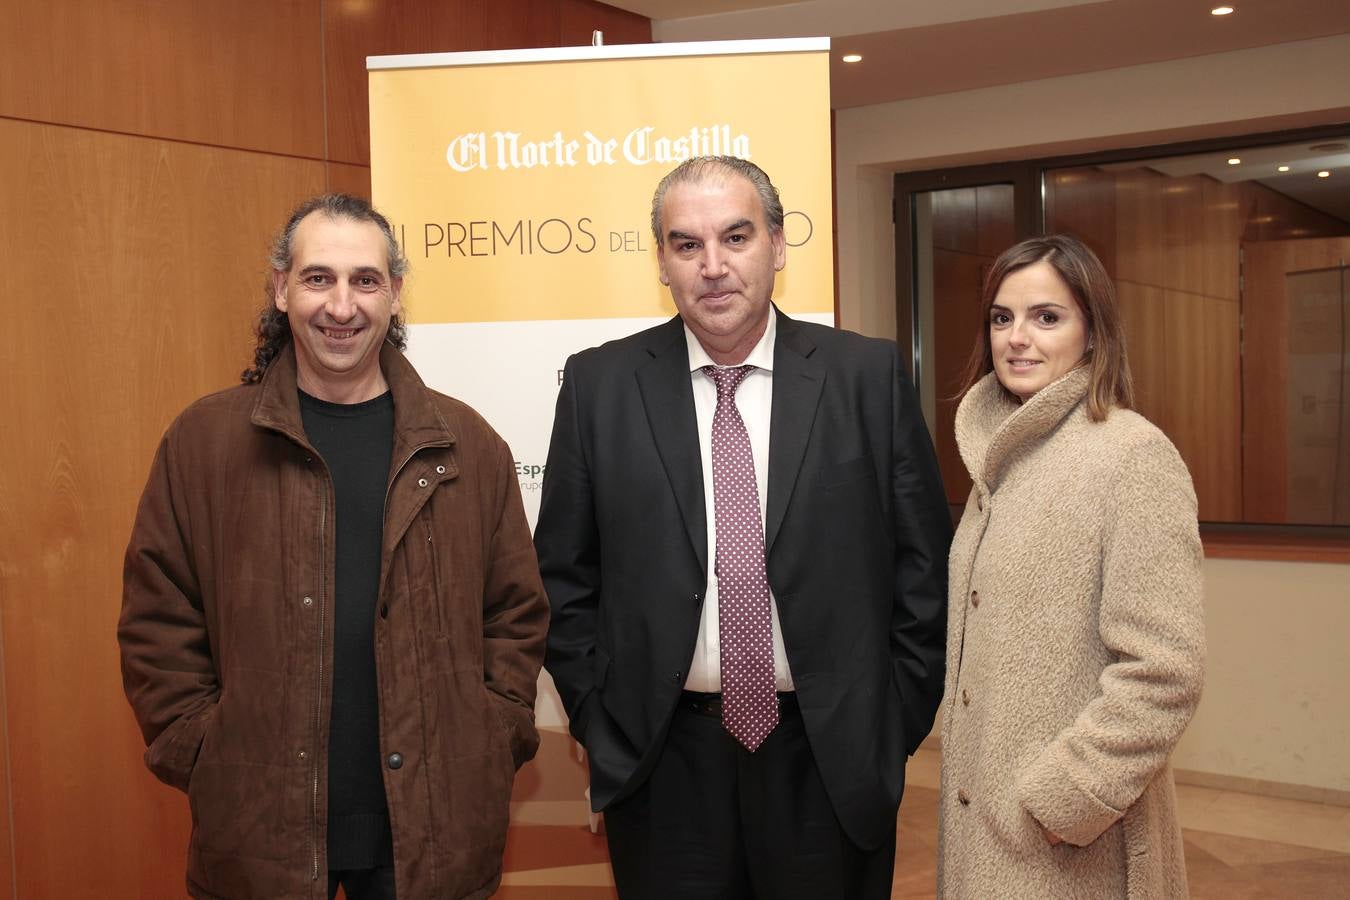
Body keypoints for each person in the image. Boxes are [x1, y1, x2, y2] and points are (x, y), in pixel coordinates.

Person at [534, 156, 952, 899]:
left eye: (736, 236)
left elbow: (922, 567)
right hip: (663, 762)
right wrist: (603, 723)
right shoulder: (600, 386)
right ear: (661, 260)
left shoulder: (866, 377)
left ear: (780, 244)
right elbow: (566, 576)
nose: (714, 266)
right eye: (687, 244)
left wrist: (889, 726)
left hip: (829, 758)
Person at [118, 193, 548, 900]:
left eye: (365, 280)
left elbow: (516, 614)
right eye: (319, 278)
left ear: (396, 294)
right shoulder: (204, 442)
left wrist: (490, 738)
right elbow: (156, 620)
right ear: (281, 288)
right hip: (260, 835)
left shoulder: (468, 445)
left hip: (433, 837)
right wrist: (203, 748)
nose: (341, 305)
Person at [938, 234, 1206, 898]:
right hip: (988, 830)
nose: (1016, 338)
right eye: (1002, 318)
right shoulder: (999, 463)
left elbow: (1165, 670)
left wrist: (1069, 797)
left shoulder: (1131, 456)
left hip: (1070, 845)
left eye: (1046, 317)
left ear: (1092, 333)